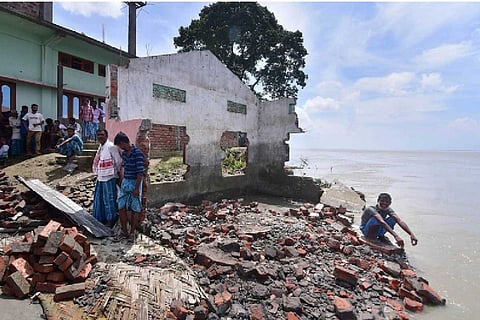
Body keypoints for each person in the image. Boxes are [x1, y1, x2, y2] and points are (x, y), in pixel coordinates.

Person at [113, 132, 145, 243]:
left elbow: (140, 173)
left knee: (135, 208)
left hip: (135, 182)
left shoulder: (137, 153)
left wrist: (136, 188)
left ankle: (132, 232)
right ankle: (124, 231)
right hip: (126, 182)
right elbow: (124, 168)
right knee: (121, 206)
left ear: (122, 143)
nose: (120, 148)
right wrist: (122, 181)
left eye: (120, 146)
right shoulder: (125, 154)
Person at [92, 129, 122, 228]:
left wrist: (115, 173)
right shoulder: (101, 147)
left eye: (102, 134)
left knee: (109, 199)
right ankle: (101, 219)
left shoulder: (111, 147)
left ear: (106, 135)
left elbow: (118, 161)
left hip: (109, 177)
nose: (100, 136)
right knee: (100, 199)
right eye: (98, 135)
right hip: (101, 177)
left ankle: (111, 220)